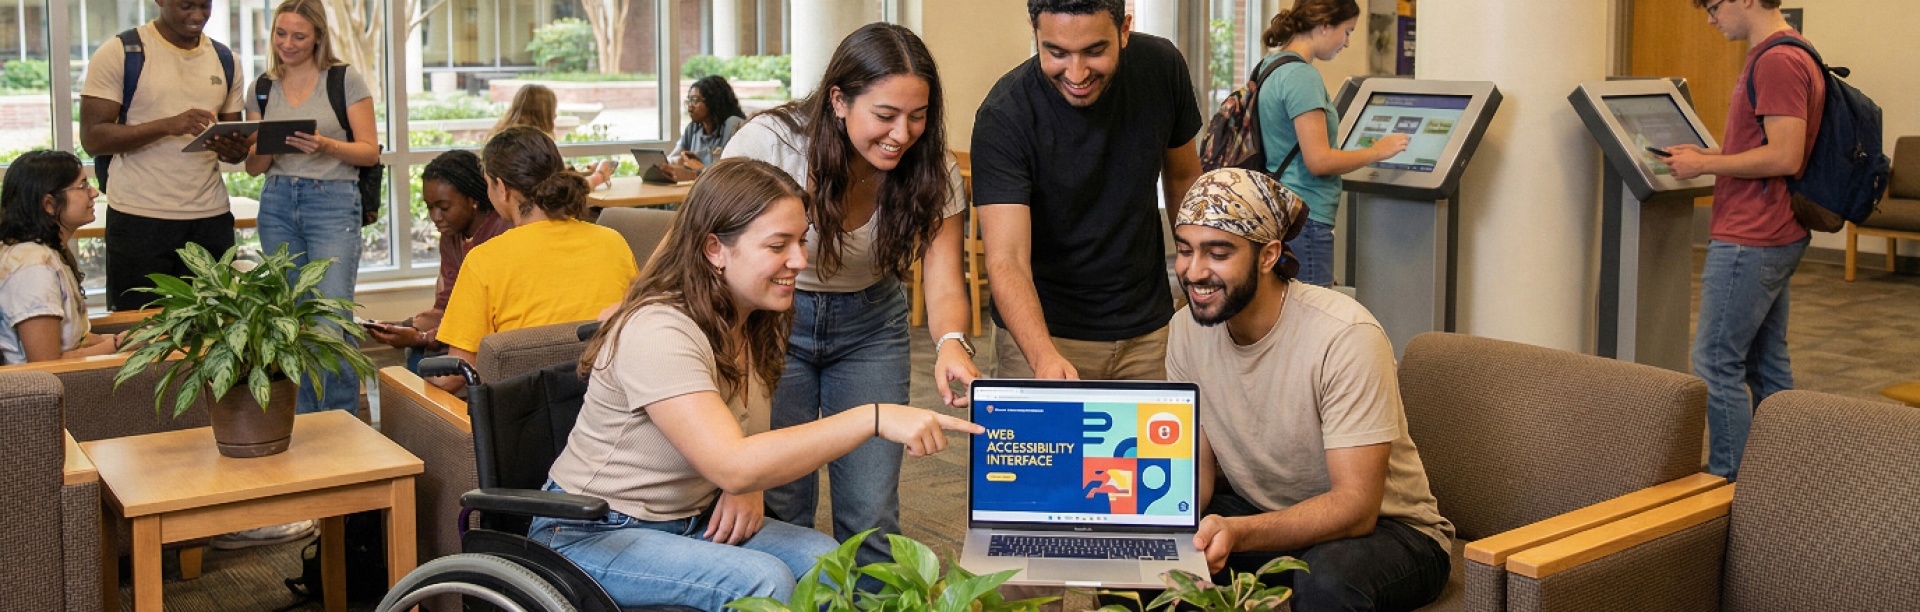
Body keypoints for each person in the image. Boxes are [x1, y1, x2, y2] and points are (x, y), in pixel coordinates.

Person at [536, 157, 983, 610]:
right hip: (590, 532)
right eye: (777, 245)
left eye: (801, 241)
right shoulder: (660, 330)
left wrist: (745, 486)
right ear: (715, 249)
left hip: (688, 517)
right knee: (762, 581)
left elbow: (746, 436)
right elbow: (733, 461)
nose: (800, 260)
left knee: (826, 562)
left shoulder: (752, 319)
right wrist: (873, 417)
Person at [721, 22, 976, 570]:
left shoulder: (932, 167)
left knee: (871, 512)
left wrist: (952, 342)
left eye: (918, 116)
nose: (902, 134)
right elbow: (707, 244)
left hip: (871, 326)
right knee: (782, 502)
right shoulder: (772, 144)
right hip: (772, 323)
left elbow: (944, 278)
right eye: (885, 115)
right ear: (838, 100)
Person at [1168, 168, 1452, 611]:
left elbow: (1356, 508)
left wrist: (1239, 533)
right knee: (1149, 566)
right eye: (1185, 250)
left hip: (1389, 530)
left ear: (1268, 255)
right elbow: (1196, 478)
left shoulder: (1345, 335)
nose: (1194, 270)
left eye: (1218, 253)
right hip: (1264, 513)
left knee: (1327, 582)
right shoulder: (1185, 330)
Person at [971, 0, 1203, 381]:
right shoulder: (1005, 115)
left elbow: (1183, 180)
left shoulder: (1162, 68)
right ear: (1035, 33)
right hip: (1043, 334)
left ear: (1124, 30)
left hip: (1149, 331)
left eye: (1094, 51)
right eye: (1057, 53)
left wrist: (1199, 269)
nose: (1076, 73)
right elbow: (1007, 259)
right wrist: (1043, 357)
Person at [1661, 0, 1822, 481]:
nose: (1711, 19)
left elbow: (1785, 156)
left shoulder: (1777, 60)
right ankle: (1778, 475)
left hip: (1752, 235)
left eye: (1713, 6)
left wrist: (1704, 165)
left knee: (1715, 360)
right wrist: (1708, 153)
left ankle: (1732, 480)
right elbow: (1766, 143)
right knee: (1765, 362)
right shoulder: (1791, 50)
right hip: (1773, 230)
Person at [242, 0, 380, 414]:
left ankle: (339, 421)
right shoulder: (262, 87)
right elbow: (253, 168)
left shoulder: (343, 79)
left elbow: (369, 151)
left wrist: (324, 145)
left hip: (332, 202)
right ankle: (302, 419)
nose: (287, 43)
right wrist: (267, 143)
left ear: (318, 36)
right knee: (291, 318)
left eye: (299, 36)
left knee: (330, 319)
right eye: (281, 34)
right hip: (277, 201)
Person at [429, 126, 639, 394]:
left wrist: (417, 378)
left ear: (501, 188)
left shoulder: (484, 260)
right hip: (608, 400)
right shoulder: (614, 243)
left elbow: (457, 373)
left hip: (522, 410)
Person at [80, 0, 251, 311]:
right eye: (186, 6)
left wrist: (236, 150)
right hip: (138, 219)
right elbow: (93, 138)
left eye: (205, 6)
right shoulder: (121, 52)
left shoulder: (226, 59)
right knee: (139, 327)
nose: (197, 15)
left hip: (210, 218)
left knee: (215, 328)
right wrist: (167, 126)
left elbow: (233, 141)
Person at [1252, 0, 1409, 287]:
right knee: (1313, 311)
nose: (1347, 42)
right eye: (1347, 31)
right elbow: (1319, 161)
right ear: (1324, 25)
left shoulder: (1271, 66)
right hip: (1306, 216)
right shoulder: (1302, 76)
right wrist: (1377, 151)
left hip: (1281, 210)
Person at [365, 150, 510, 372]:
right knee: (417, 355)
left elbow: (484, 319)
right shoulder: (452, 237)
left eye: (444, 208)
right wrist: (405, 327)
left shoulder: (501, 234)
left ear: (472, 200)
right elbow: (447, 305)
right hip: (460, 331)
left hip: (490, 338)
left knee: (424, 360)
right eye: (429, 207)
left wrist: (423, 337)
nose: (435, 217)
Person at [0, 151, 123, 364]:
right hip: (51, 383)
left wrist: (125, 339)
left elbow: (75, 340)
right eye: (82, 185)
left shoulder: (46, 252)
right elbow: (45, 363)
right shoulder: (33, 268)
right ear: (49, 204)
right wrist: (117, 345)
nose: (94, 192)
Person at [491, 84, 616, 189]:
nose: (555, 115)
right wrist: (598, 177)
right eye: (552, 110)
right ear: (542, 112)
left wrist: (584, 173)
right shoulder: (533, 145)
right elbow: (559, 190)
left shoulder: (505, 139)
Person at [672, 75, 747, 171]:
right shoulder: (693, 128)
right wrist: (679, 161)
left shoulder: (733, 125)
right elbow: (673, 157)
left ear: (713, 101)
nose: (690, 107)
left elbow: (732, 171)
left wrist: (699, 169)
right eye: (689, 100)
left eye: (695, 100)